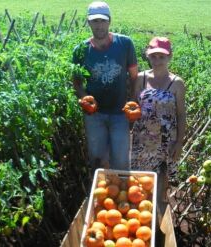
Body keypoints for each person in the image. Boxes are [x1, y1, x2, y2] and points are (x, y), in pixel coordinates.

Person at [72, 1, 138, 171]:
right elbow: (76, 82)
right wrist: (85, 98)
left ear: (109, 21)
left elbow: (134, 77)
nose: (99, 25)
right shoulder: (80, 50)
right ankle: (100, 193)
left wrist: (132, 103)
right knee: (97, 159)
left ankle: (120, 194)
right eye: (95, 21)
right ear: (88, 22)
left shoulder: (125, 44)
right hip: (95, 115)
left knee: (121, 161)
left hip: (120, 113)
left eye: (102, 21)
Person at [130, 37, 186, 233]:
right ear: (148, 57)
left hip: (166, 142)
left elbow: (180, 114)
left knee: (161, 182)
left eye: (161, 56)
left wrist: (179, 142)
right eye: (153, 56)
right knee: (139, 182)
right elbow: (133, 106)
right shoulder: (141, 79)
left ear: (169, 56)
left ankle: (154, 224)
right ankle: (138, 222)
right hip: (142, 140)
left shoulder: (177, 83)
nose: (157, 60)